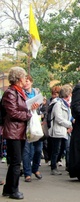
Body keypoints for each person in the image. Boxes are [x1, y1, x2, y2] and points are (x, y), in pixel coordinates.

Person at [2, 66, 32, 199]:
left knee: (15, 161)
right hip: (13, 131)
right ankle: (13, 190)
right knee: (15, 162)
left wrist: (31, 108)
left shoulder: (19, 91)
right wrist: (28, 115)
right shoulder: (11, 92)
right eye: (25, 77)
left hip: (18, 131)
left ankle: (8, 189)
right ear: (19, 78)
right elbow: (12, 112)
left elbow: (20, 109)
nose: (26, 79)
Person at [48, 85, 73, 175]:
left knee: (67, 148)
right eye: (70, 93)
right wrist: (69, 124)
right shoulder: (58, 104)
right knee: (56, 149)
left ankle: (69, 166)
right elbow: (58, 118)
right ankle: (53, 167)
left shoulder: (67, 104)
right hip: (58, 130)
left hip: (65, 130)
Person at [22, 75, 43, 183]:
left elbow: (41, 107)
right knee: (27, 149)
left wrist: (39, 106)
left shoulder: (36, 92)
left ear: (31, 82)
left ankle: (35, 169)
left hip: (36, 123)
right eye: (24, 81)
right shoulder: (21, 93)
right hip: (26, 123)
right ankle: (27, 173)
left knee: (38, 149)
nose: (26, 83)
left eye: (27, 81)